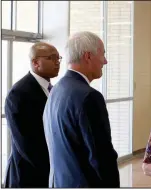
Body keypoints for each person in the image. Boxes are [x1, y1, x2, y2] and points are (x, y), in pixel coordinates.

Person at [43, 31, 120, 188]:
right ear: (88, 56)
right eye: (102, 54)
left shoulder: (56, 90)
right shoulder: (89, 97)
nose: (105, 61)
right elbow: (101, 157)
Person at [4, 42, 60, 187]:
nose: (57, 63)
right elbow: (26, 143)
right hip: (28, 175)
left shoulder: (54, 89)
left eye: (58, 58)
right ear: (35, 62)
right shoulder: (19, 93)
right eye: (51, 58)